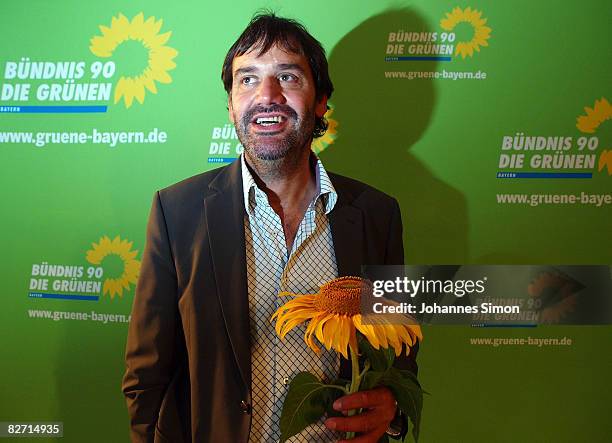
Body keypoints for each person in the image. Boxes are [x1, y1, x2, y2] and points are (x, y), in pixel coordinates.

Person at [122, 12, 417, 443]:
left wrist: (391, 409)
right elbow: (146, 375)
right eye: (247, 79)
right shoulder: (176, 212)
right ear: (230, 105)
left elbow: (399, 353)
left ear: (320, 103)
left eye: (288, 77)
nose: (267, 95)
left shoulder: (377, 214)